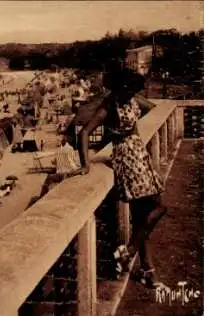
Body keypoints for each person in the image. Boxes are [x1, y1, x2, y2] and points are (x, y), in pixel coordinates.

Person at [72, 67, 167, 289]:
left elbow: (151, 110)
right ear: (118, 87)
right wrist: (86, 164)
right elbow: (85, 132)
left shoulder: (132, 100)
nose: (131, 93)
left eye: (133, 89)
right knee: (159, 208)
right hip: (126, 157)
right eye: (128, 89)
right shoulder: (109, 106)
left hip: (139, 154)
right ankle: (129, 252)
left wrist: (125, 135)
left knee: (143, 216)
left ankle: (147, 270)